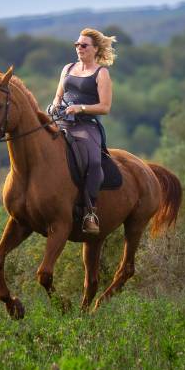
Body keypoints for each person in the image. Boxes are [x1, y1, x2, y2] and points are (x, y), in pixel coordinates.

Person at [49, 28, 115, 234]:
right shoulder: (67, 68)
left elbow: (105, 107)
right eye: (77, 45)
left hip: (87, 125)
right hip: (62, 121)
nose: (79, 48)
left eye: (83, 45)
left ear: (95, 49)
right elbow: (58, 95)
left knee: (94, 161)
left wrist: (80, 108)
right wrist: (54, 106)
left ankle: (89, 213)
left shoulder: (101, 73)